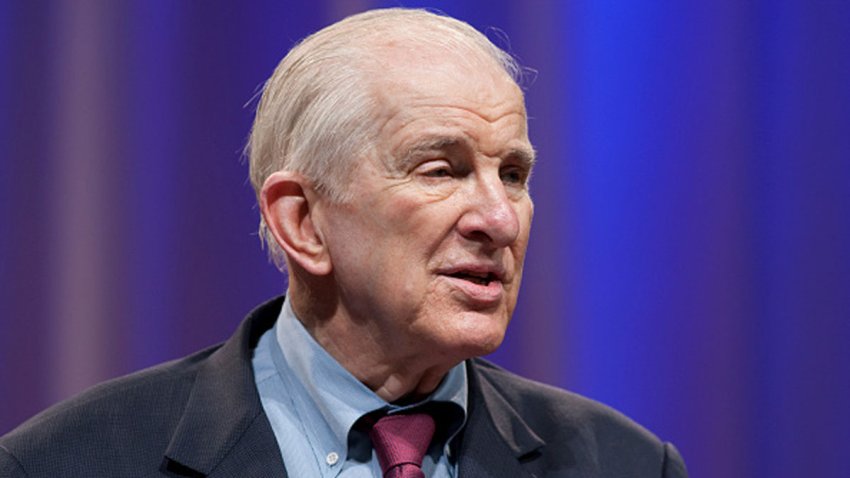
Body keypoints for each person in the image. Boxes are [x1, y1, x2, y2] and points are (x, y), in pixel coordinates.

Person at [0, 8, 687, 478]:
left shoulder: (624, 463)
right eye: (440, 170)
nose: (499, 220)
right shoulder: (69, 461)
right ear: (302, 222)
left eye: (513, 174)